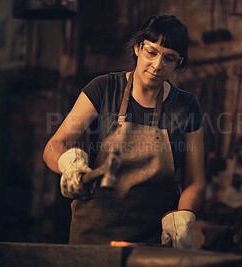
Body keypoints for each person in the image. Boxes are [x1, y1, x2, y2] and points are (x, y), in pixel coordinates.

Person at [43, 14, 206, 248]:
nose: (158, 65)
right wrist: (69, 164)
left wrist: (183, 214)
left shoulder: (186, 106)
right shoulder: (104, 89)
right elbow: (53, 146)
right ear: (138, 48)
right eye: (152, 52)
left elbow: (195, 181)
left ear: (178, 63)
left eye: (169, 58)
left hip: (153, 236)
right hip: (95, 232)